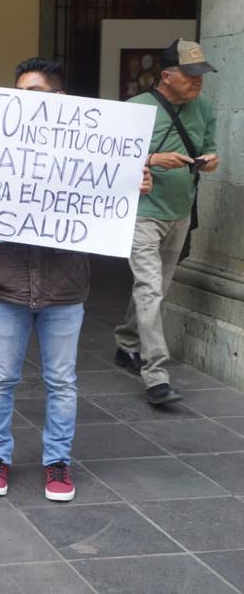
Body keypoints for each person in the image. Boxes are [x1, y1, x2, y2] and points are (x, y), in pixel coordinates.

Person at [0, 58, 153, 501]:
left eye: (30, 94)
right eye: (16, 94)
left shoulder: (91, 148)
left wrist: (132, 186)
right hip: (7, 284)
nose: (19, 102)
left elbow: (110, 196)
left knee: (62, 381)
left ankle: (58, 463)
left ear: (59, 100)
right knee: (0, 378)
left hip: (65, 288)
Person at [113, 38, 219, 405]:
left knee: (156, 286)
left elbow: (210, 146)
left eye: (201, 75)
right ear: (165, 76)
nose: (197, 82)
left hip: (179, 210)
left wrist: (209, 159)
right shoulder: (135, 109)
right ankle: (155, 373)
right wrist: (153, 160)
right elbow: (110, 161)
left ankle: (126, 342)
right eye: (190, 75)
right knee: (151, 289)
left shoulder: (203, 107)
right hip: (142, 213)